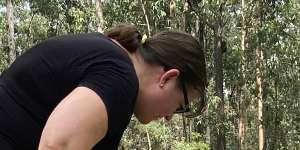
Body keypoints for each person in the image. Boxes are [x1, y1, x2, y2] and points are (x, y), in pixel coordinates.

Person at [0, 23, 207, 150]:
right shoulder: (119, 77)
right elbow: (58, 146)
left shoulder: (111, 62)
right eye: (180, 105)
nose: (170, 116)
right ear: (167, 78)